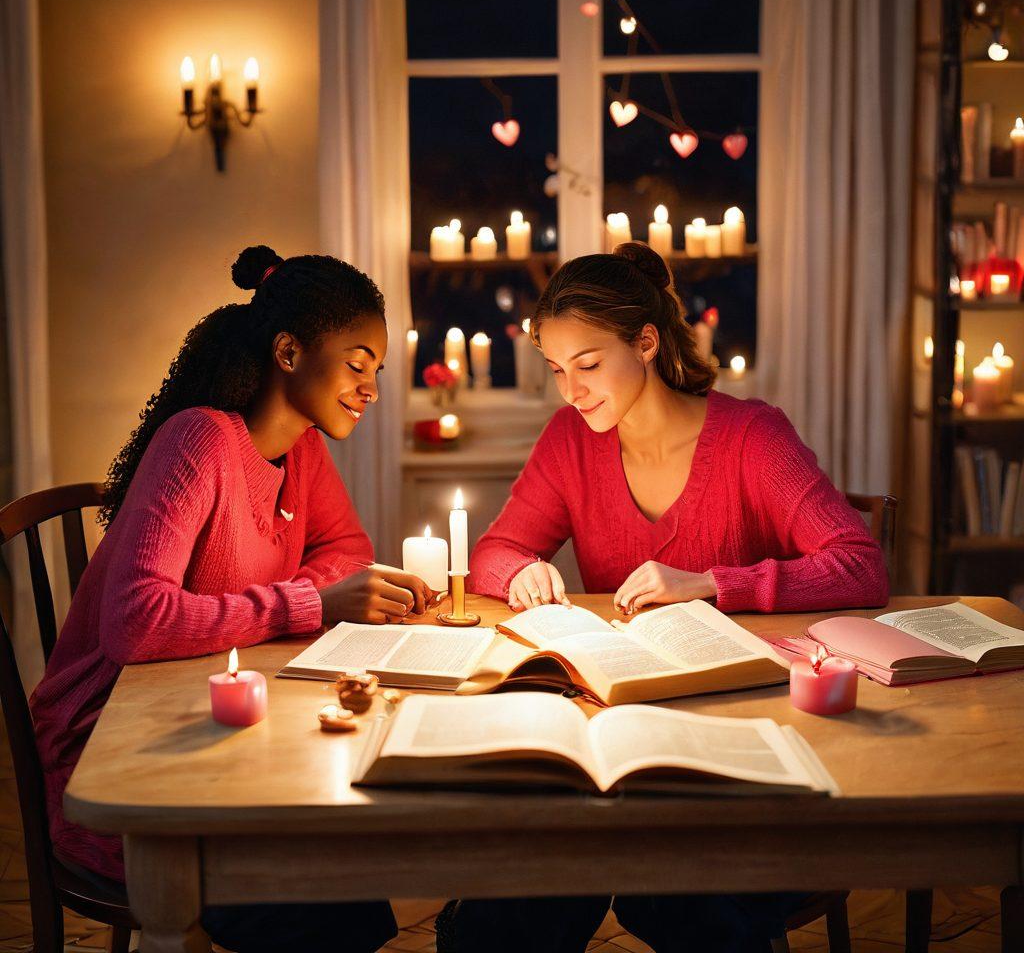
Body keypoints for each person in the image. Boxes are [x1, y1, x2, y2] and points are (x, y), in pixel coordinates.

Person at [456, 241, 888, 952]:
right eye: (557, 370)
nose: (571, 390)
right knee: (525, 894)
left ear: (647, 342)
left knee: (678, 895)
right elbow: (495, 551)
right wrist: (518, 573)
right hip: (613, 745)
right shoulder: (571, 440)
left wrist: (714, 583)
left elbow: (859, 566)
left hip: (739, 752)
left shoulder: (752, 437)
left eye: (588, 365)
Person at [30, 245, 432, 952]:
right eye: (358, 362)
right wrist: (310, 604)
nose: (371, 388)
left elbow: (347, 549)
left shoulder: (302, 448)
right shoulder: (198, 442)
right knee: (328, 906)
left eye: (378, 370)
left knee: (349, 885)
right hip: (113, 759)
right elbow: (135, 625)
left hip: (213, 729)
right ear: (288, 351)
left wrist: (314, 592)